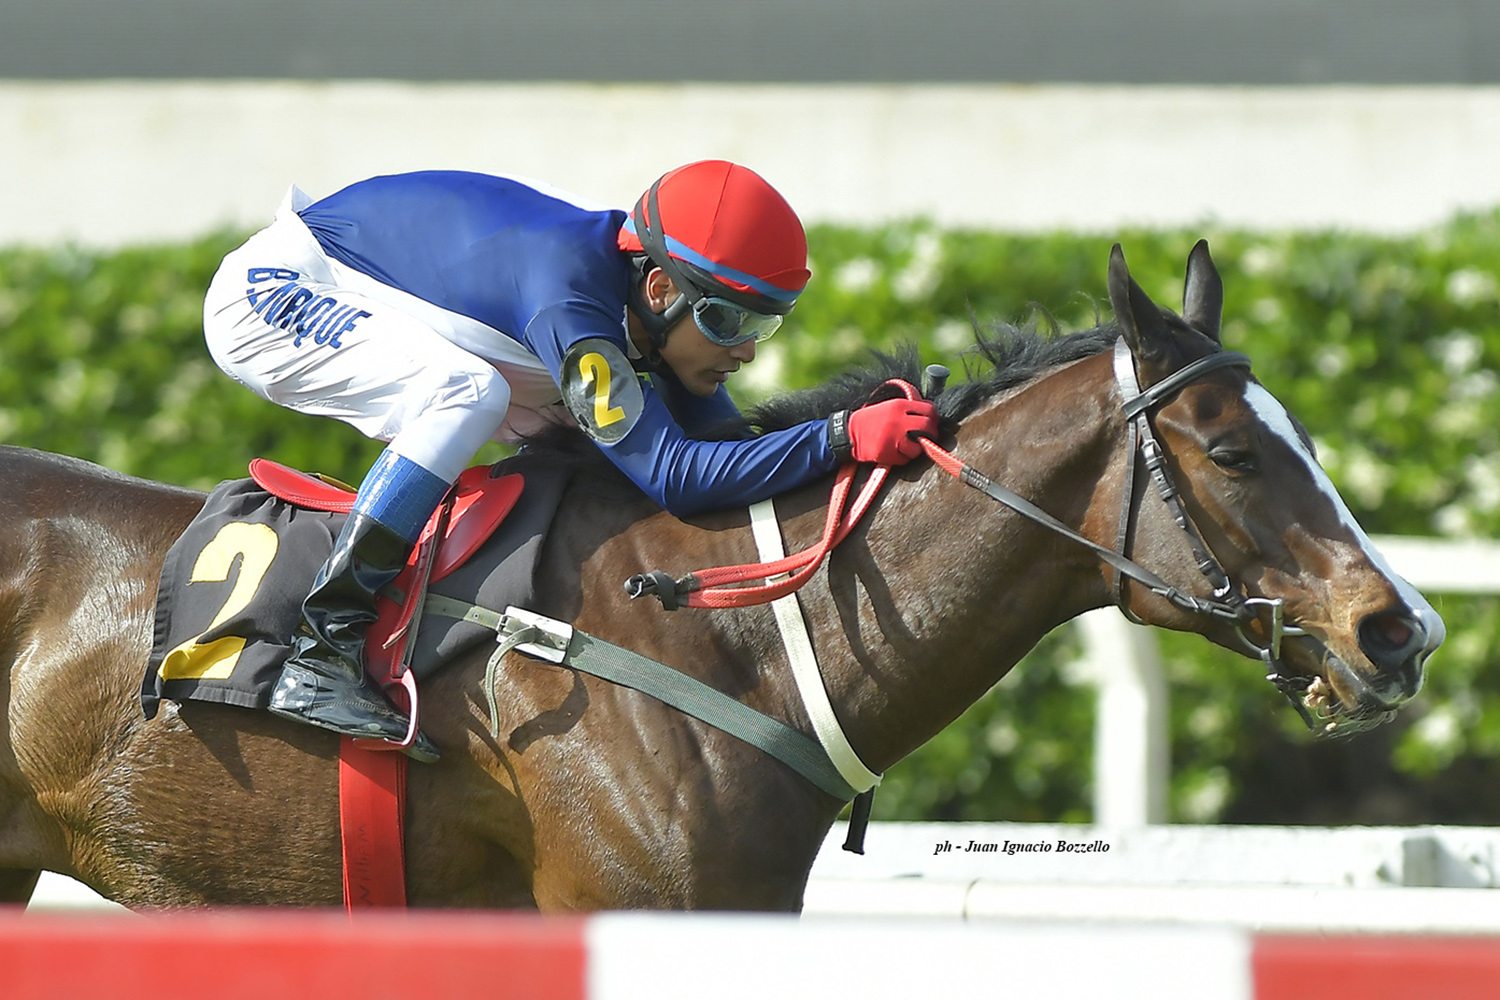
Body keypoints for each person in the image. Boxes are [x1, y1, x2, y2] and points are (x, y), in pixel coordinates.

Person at [202, 160, 938, 759]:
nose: (744, 351)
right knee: (470, 393)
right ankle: (321, 648)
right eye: (727, 321)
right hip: (272, 293)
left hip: (375, 288)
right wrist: (840, 436)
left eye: (762, 326)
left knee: (552, 417)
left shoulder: (644, 292)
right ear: (660, 288)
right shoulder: (574, 305)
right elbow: (677, 478)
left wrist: (855, 443)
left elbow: (721, 453)